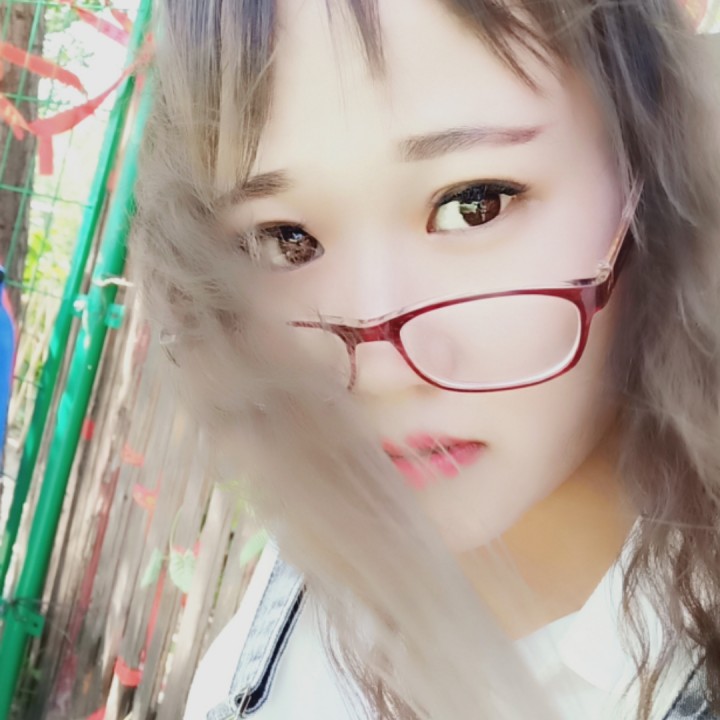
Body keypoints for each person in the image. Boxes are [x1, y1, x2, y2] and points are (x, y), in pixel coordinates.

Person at [132, 0, 720, 718]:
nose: (378, 373)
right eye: (285, 240)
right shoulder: (285, 623)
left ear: (655, 169)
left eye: (475, 204)